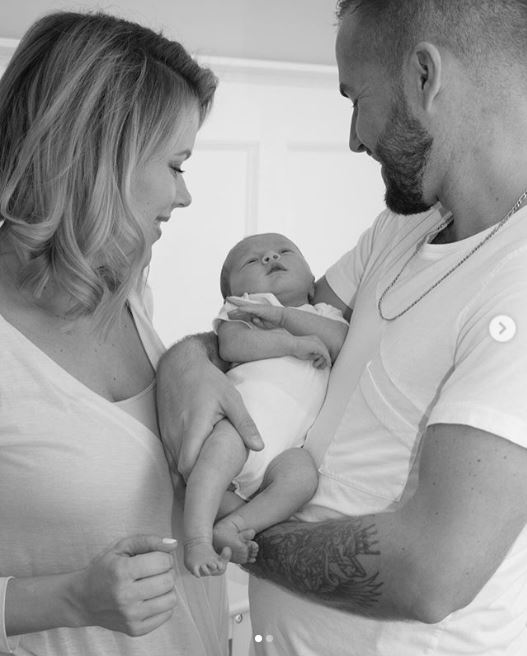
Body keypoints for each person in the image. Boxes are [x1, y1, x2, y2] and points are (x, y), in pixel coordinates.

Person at [156, 0, 527, 654]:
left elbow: (430, 572)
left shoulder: (515, 279)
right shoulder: (403, 227)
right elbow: (269, 319)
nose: (354, 137)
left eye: (355, 97)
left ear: (423, 77)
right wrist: (185, 363)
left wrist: (236, 534)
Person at [0, 10, 228, 656]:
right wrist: (71, 598)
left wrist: (193, 355)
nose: (183, 196)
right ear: (104, 157)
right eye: (176, 164)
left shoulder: (125, 290)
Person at [181, 232, 348, 577]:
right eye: (252, 261)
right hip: (241, 424)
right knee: (212, 463)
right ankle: (196, 540)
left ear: (313, 284)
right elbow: (232, 345)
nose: (271, 258)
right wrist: (289, 344)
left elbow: (338, 340)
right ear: (234, 294)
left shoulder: (323, 313)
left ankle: (236, 524)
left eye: (284, 251)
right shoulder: (247, 309)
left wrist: (287, 318)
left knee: (303, 478)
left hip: (285, 449)